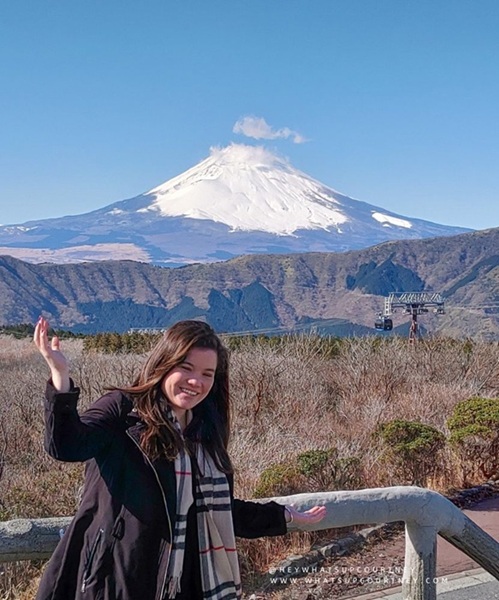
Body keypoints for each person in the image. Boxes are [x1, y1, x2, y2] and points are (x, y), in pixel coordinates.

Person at [33, 317, 326, 600]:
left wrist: (284, 516)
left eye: (207, 374)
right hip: (116, 578)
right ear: (164, 365)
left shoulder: (203, 433)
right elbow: (67, 446)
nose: (195, 381)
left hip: (184, 583)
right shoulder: (123, 411)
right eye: (186, 368)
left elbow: (217, 511)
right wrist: (61, 378)